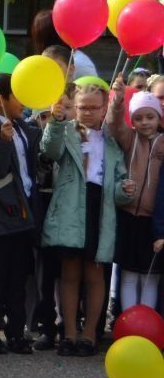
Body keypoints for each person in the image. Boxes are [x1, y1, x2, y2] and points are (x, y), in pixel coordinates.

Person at [41, 83, 130, 356]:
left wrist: (123, 189)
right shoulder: (66, 131)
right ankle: (68, 332)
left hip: (99, 210)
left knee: (95, 273)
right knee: (70, 274)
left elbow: (117, 181)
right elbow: (50, 151)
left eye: (94, 107)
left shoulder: (111, 140)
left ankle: (89, 333)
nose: (87, 112)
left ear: (104, 109)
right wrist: (55, 122)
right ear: (74, 108)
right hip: (71, 210)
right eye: (82, 107)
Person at [0, 75, 41, 354]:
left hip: (23, 213)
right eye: (17, 95)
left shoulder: (22, 127)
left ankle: (16, 333)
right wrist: (2, 142)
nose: (23, 101)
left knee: (18, 277)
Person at [108, 78, 164, 310]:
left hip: (153, 222)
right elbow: (113, 123)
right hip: (128, 216)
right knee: (129, 275)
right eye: (138, 118)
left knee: (150, 277)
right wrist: (118, 101)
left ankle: (147, 328)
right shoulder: (129, 138)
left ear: (159, 118)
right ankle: (128, 322)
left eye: (150, 117)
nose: (144, 123)